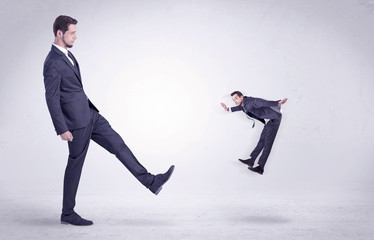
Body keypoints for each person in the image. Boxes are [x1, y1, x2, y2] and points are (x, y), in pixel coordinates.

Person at [43, 15, 174, 226]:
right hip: (76, 124)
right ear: (60, 33)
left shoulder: (69, 56)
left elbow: (74, 89)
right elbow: (51, 98)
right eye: (72, 33)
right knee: (75, 165)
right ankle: (67, 213)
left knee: (118, 145)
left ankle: (152, 181)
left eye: (76, 32)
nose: (76, 36)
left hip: (91, 115)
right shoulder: (52, 62)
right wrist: (62, 128)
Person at [220, 91, 288, 175]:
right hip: (268, 120)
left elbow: (262, 102)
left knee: (268, 143)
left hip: (274, 118)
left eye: (236, 98)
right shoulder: (244, 104)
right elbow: (241, 108)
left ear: (242, 97)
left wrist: (277, 102)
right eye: (233, 100)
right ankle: (251, 161)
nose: (235, 101)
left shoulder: (251, 102)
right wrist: (227, 109)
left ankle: (261, 167)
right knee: (262, 141)